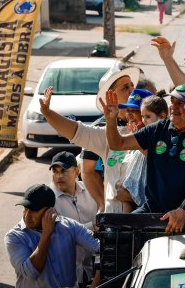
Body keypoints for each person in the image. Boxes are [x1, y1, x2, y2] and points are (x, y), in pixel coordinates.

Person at [103, 85, 185, 232]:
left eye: (181, 103)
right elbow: (117, 143)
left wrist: (182, 210)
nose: (174, 107)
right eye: (172, 101)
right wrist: (111, 119)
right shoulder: (157, 129)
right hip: (152, 210)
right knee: (115, 233)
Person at [39, 67, 140, 213]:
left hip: (147, 221)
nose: (132, 91)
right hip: (114, 222)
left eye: (132, 86)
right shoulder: (107, 133)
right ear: (110, 97)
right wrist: (48, 114)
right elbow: (76, 132)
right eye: (125, 87)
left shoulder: (152, 126)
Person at [4, 184, 99, 288]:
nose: (27, 215)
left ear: (50, 211)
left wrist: (94, 285)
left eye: (34, 210)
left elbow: (102, 249)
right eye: (25, 209)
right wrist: (46, 235)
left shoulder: (70, 227)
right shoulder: (14, 237)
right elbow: (32, 271)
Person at [48, 151, 99, 283]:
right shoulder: (48, 199)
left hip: (94, 269)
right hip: (66, 274)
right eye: (55, 171)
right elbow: (60, 233)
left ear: (77, 171)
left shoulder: (90, 190)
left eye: (64, 171)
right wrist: (91, 227)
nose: (58, 176)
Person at [122, 93, 169, 208]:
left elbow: (154, 157)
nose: (144, 121)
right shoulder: (146, 132)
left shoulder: (166, 132)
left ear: (162, 116)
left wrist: (136, 140)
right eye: (143, 116)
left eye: (147, 117)